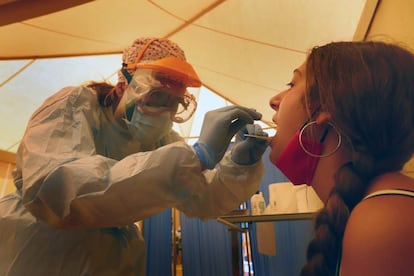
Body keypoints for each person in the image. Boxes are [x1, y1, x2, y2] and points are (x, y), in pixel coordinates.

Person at [0, 37, 269, 275]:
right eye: (157, 96)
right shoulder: (75, 105)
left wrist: (239, 165)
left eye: (175, 102)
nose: (166, 110)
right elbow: (60, 189)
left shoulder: (160, 140)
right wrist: (195, 156)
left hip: (109, 259)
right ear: (122, 86)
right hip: (40, 247)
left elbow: (203, 199)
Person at [267, 41, 414, 276]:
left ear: (325, 106)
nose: (274, 100)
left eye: (291, 84)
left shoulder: (383, 221)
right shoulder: (371, 210)